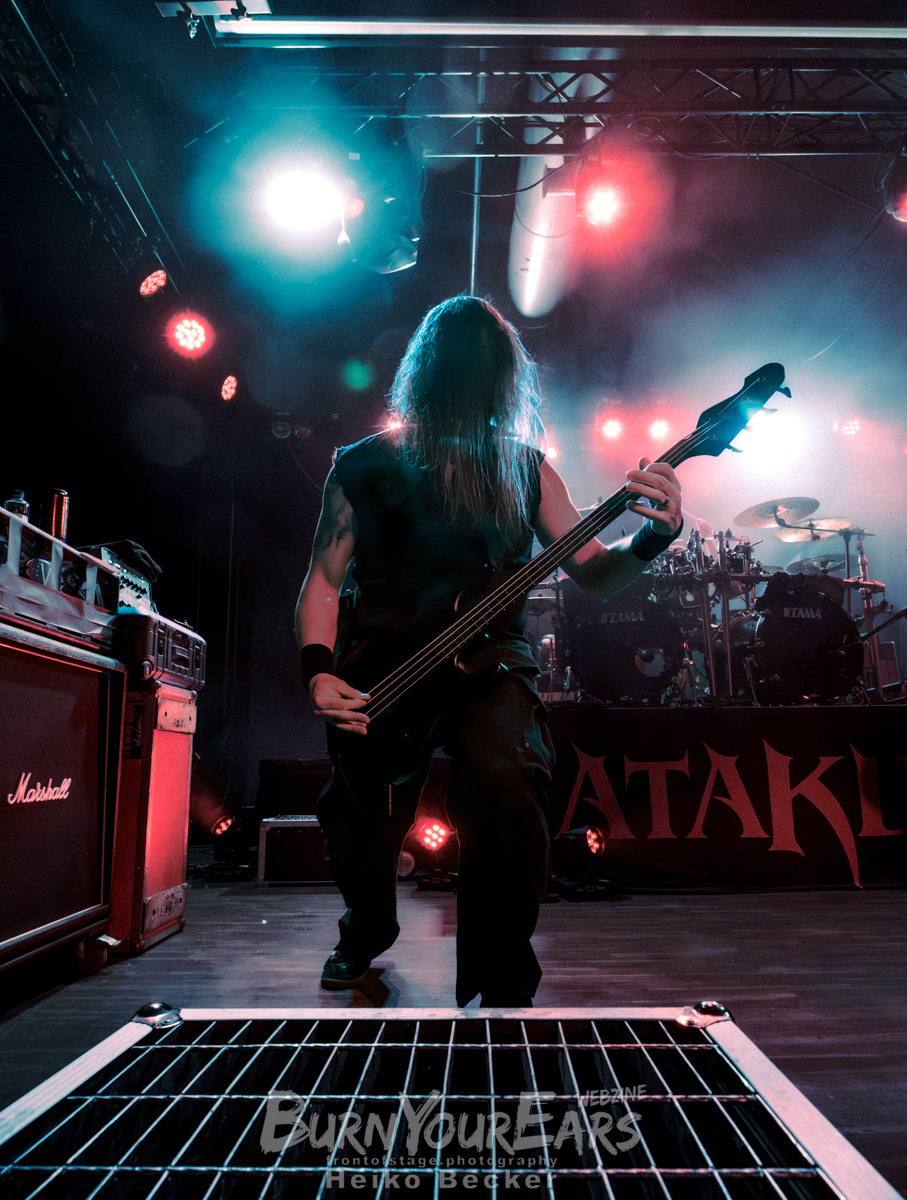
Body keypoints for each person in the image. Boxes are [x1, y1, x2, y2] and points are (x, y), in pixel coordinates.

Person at [295, 295, 682, 1006]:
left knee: (508, 787)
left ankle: (501, 973)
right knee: (361, 824)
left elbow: (595, 573)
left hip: (489, 667)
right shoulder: (362, 466)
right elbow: (323, 579)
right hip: (381, 670)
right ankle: (365, 928)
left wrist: (654, 536)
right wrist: (318, 672)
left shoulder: (524, 469)